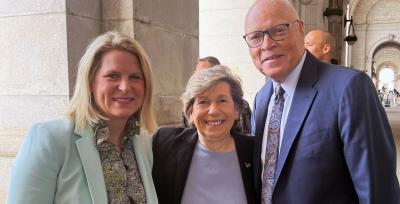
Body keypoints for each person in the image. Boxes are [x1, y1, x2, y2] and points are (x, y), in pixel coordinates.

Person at [243, 0, 400, 203]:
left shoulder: (349, 88)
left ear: (300, 29)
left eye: (278, 30)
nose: (267, 44)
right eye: (255, 37)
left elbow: (378, 192)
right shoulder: (262, 98)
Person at [8, 31, 159, 204]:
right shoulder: (50, 138)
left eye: (135, 77)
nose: (125, 87)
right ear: (90, 82)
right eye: (112, 76)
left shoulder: (143, 143)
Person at [152, 66, 256, 204]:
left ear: (236, 110)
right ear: (190, 113)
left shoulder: (255, 151)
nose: (213, 111)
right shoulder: (165, 144)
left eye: (222, 100)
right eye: (203, 102)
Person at [182, 56, 252, 135]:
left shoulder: (241, 105)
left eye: (207, 73)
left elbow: (247, 133)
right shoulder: (191, 106)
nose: (213, 111)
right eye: (197, 74)